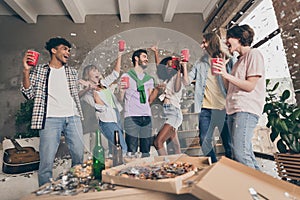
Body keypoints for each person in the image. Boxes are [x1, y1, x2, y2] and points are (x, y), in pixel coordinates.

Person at [21, 37, 84, 186]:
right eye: (64, 49)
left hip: (73, 117)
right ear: (53, 50)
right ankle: (45, 192)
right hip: (50, 119)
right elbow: (29, 93)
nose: (68, 52)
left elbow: (75, 95)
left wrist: (87, 87)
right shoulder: (40, 71)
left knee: (78, 155)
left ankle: (76, 186)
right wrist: (26, 71)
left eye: (69, 50)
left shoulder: (72, 72)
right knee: (46, 160)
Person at [213, 24, 265, 169]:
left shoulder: (254, 54)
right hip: (233, 109)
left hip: (246, 109)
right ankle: (264, 187)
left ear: (239, 38)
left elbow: (250, 86)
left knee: (240, 153)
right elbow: (229, 88)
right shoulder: (237, 61)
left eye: (228, 38)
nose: (226, 42)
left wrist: (226, 74)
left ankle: (254, 189)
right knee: (244, 152)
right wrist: (222, 73)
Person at [187, 33, 234, 163]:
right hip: (205, 109)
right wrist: (184, 66)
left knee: (229, 143)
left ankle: (232, 168)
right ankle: (213, 165)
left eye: (204, 42)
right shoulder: (200, 63)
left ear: (212, 42)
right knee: (204, 140)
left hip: (223, 108)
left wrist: (223, 69)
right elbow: (187, 81)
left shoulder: (228, 59)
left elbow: (233, 83)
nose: (202, 45)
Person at [79, 51, 128, 156]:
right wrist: (91, 87)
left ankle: (112, 169)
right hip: (106, 120)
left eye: (97, 70)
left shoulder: (104, 84)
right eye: (93, 71)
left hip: (116, 116)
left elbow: (115, 73)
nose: (97, 72)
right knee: (122, 147)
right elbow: (100, 106)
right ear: (87, 76)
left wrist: (119, 54)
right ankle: (122, 168)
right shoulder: (87, 93)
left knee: (114, 149)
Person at [118, 49, 157, 158]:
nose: (147, 59)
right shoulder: (126, 76)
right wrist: (121, 91)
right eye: (144, 57)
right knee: (132, 152)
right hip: (131, 117)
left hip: (146, 116)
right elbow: (120, 99)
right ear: (136, 58)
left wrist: (157, 90)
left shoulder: (149, 79)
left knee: (146, 152)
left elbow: (150, 100)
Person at [151, 46, 189, 155]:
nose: (168, 67)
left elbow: (177, 89)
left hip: (174, 113)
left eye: (170, 65)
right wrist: (156, 52)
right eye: (167, 65)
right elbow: (159, 66)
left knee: (158, 142)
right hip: (167, 112)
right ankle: (179, 166)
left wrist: (178, 70)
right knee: (175, 145)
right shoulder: (166, 79)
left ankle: (166, 166)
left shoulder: (178, 77)